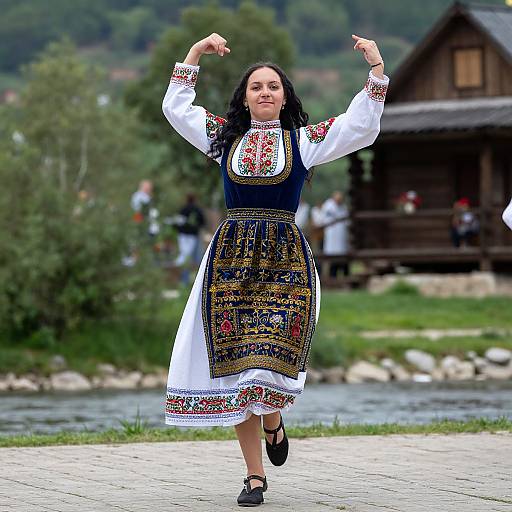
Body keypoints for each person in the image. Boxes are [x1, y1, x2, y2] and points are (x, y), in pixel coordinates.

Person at [162, 32, 388, 506]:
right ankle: (254, 477)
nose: (265, 92)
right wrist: (195, 54)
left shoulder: (303, 141)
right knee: (237, 372)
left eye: (273, 86)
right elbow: (178, 109)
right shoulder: (224, 138)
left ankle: (273, 418)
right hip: (230, 263)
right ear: (244, 98)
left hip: (285, 261)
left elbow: (357, 127)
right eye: (255, 87)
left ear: (285, 97)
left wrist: (375, 71)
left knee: (268, 361)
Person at [175, 193, 206, 284]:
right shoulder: (197, 210)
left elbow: (178, 223)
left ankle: (184, 279)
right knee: (196, 258)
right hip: (193, 236)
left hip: (183, 236)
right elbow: (202, 222)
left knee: (185, 256)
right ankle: (198, 281)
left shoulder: (183, 209)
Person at [322, 191, 350, 277]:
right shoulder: (328, 206)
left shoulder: (343, 207)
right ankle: (333, 278)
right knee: (333, 259)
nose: (339, 201)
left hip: (341, 238)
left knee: (343, 258)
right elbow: (326, 220)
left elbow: (347, 221)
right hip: (332, 237)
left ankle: (345, 278)